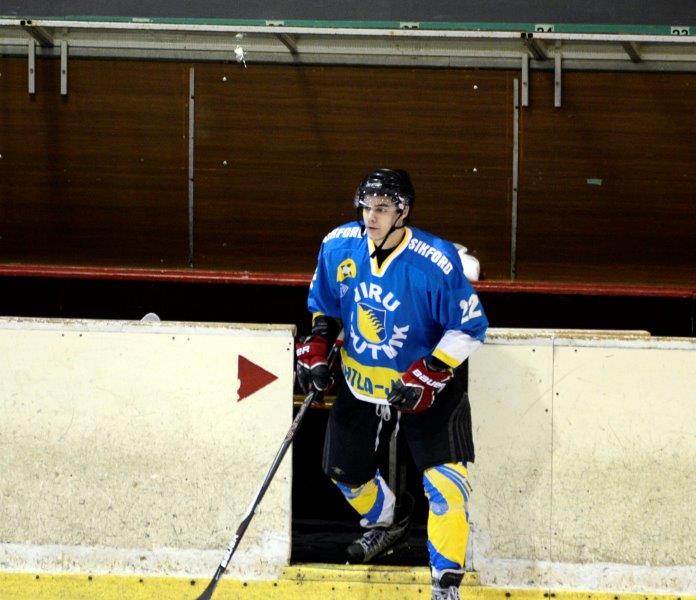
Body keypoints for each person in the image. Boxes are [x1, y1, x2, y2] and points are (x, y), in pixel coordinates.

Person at [296, 168, 488, 600]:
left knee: (448, 484)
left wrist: (432, 371)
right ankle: (391, 519)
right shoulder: (337, 245)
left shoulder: (435, 261)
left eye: (382, 207)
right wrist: (318, 343)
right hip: (362, 381)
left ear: (404, 212)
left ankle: (445, 585)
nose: (371, 215)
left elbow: (470, 326)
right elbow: (326, 306)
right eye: (366, 206)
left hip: (427, 383)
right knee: (344, 475)